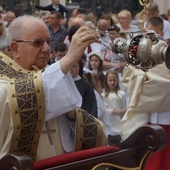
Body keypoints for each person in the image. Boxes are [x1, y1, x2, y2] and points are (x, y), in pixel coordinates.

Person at [0, 14, 107, 161]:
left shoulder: (50, 73)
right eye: (37, 43)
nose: (46, 49)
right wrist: (68, 59)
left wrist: (73, 118)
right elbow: (16, 95)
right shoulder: (3, 79)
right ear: (15, 48)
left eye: (48, 42)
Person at [121, 15, 170, 170]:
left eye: (155, 34)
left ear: (161, 33)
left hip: (166, 118)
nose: (151, 39)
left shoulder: (166, 54)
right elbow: (130, 81)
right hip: (145, 120)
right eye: (148, 34)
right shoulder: (140, 56)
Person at [102, 69, 127, 136]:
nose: (112, 82)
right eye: (110, 80)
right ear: (106, 81)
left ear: (117, 80)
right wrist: (116, 111)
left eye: (114, 80)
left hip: (119, 121)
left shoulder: (122, 94)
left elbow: (124, 110)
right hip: (108, 122)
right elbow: (103, 110)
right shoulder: (103, 95)